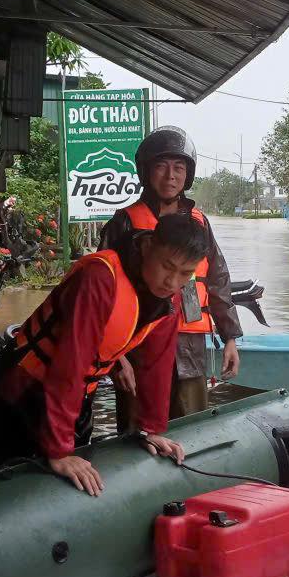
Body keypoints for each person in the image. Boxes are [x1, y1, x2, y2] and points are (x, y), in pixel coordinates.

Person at [0, 212, 207, 496]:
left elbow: (157, 364)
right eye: (168, 266)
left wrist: (150, 429)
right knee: (10, 482)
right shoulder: (101, 277)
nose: (172, 281)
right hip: (26, 384)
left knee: (75, 479)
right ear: (148, 245)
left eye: (185, 273)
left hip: (77, 392)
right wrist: (59, 450)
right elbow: (70, 362)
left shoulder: (169, 296)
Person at [98, 126, 241, 431]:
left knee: (193, 425)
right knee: (140, 429)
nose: (170, 176)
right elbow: (102, 295)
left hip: (189, 343)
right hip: (137, 343)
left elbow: (217, 279)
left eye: (179, 168)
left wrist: (230, 337)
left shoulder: (199, 222)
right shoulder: (124, 222)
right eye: (161, 166)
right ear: (146, 171)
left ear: (188, 175)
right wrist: (115, 357)